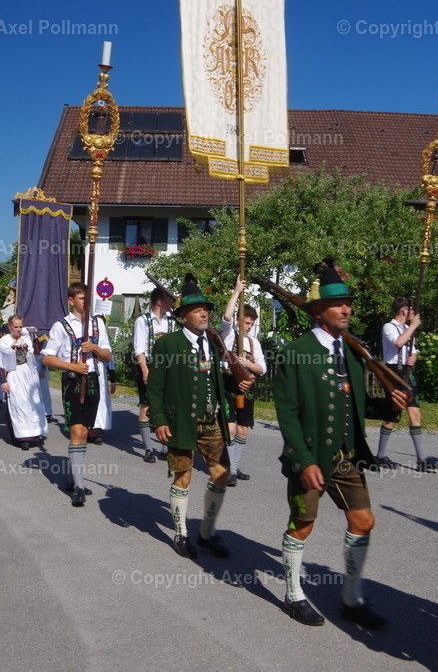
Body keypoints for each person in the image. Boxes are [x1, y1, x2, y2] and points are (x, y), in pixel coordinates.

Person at [274, 259, 407, 628]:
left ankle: (351, 597)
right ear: (319, 311)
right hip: (311, 456)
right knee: (303, 524)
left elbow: (354, 402)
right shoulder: (295, 352)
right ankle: (293, 594)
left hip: (346, 457)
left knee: (363, 521)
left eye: (349, 303)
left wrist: (386, 403)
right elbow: (286, 413)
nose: (347, 309)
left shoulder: (350, 353)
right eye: (339, 304)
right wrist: (304, 460)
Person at [148, 274, 252, 558]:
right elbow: (154, 387)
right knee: (182, 476)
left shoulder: (214, 343)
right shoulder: (167, 344)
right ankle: (181, 534)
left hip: (212, 421)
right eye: (197, 309)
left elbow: (215, 379)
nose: (205, 313)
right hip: (180, 421)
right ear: (183, 315)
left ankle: (207, 530)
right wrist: (158, 420)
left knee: (221, 474)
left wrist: (235, 383)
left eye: (206, 309)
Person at [41, 283, 113, 507]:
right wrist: (72, 367)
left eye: (87, 298)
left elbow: (108, 355)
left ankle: (74, 479)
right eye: (82, 298)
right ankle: (79, 487)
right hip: (72, 381)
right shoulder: (60, 326)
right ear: (72, 300)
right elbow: (47, 358)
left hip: (92, 381)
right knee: (77, 431)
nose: (86, 302)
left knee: (85, 432)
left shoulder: (97, 323)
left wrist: (95, 349)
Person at [374, 296, 438, 472]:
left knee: (415, 413)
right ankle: (380, 455)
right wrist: (412, 327)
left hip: (407, 372)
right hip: (394, 372)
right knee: (393, 413)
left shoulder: (406, 329)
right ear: (404, 311)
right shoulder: (389, 327)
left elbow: (413, 350)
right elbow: (398, 342)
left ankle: (422, 459)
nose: (414, 314)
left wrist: (413, 357)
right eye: (411, 311)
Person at [219, 276, 267, 486]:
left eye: (251, 324)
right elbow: (227, 316)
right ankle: (227, 468)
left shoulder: (254, 342)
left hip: (246, 386)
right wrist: (237, 291)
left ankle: (236, 467)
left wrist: (246, 364)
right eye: (246, 322)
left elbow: (262, 368)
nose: (248, 327)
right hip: (229, 384)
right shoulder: (229, 334)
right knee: (229, 428)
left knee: (243, 429)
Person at [133, 287, 175, 463]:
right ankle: (148, 449)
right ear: (160, 301)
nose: (171, 303)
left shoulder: (172, 321)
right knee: (146, 406)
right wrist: (144, 369)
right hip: (150, 366)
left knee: (167, 407)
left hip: (170, 367)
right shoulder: (143, 321)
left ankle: (165, 447)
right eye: (169, 300)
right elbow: (139, 348)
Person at [0, 315, 47, 450]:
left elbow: (36, 352)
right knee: (18, 404)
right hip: (14, 373)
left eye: (20, 327)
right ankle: (21, 436)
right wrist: (3, 382)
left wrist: (34, 335)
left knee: (32, 403)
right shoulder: (4, 342)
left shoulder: (26, 339)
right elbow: (0, 364)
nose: (18, 330)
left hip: (28, 374)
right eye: (15, 327)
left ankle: (33, 434)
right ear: (10, 327)